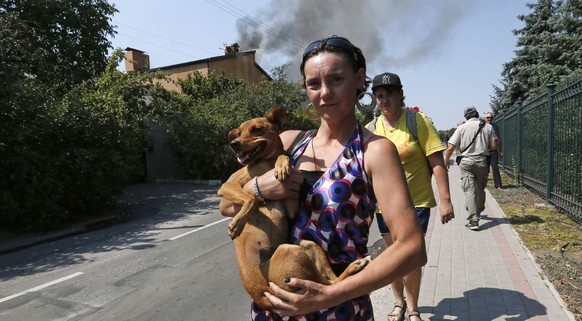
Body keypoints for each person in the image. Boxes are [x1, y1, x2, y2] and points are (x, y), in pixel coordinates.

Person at [219, 35, 427, 320]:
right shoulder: (289, 143)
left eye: (337, 79)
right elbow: (225, 207)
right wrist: (259, 188)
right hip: (274, 309)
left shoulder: (375, 151)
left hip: (340, 308)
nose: (325, 92)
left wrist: (330, 295)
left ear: (359, 79)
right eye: (314, 84)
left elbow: (412, 249)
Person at [367, 72, 455, 321]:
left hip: (415, 203)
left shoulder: (417, 121)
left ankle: (414, 307)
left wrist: (445, 199)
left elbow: (437, 162)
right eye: (380, 96)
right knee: (392, 255)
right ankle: (398, 303)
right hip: (383, 207)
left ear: (400, 94)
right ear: (376, 99)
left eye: (390, 94)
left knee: (411, 257)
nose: (385, 100)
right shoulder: (371, 129)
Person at [444, 107, 497, 231]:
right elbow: (494, 145)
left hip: (466, 162)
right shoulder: (488, 127)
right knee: (480, 188)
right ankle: (478, 208)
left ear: (466, 116)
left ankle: (474, 220)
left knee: (469, 190)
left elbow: (451, 147)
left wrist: (446, 162)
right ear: (477, 115)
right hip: (482, 161)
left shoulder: (461, 128)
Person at [484, 112, 503, 189]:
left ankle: (498, 185)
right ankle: (483, 184)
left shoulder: (495, 126)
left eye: (491, 117)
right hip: (484, 150)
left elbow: (498, 138)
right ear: (485, 118)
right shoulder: (482, 126)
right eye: (488, 117)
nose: (489, 119)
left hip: (493, 150)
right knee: (484, 168)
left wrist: (500, 150)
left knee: (495, 167)